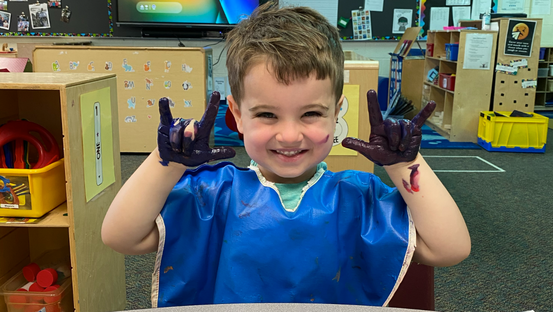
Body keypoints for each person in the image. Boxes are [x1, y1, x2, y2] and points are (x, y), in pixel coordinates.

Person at [102, 2, 470, 308]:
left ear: (336, 111)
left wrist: (406, 164)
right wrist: (166, 163)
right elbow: (121, 237)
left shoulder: (358, 197)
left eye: (311, 113)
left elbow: (449, 249)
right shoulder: (213, 196)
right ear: (236, 114)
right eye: (266, 114)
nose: (290, 135)